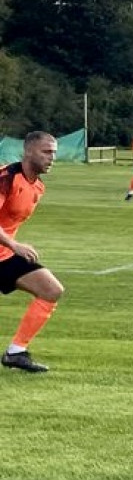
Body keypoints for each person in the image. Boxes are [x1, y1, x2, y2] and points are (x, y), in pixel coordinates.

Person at [0, 132, 65, 372]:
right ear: (28, 151)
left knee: (51, 290)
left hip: (3, 255)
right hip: (8, 249)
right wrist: (14, 245)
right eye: (46, 152)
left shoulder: (38, 186)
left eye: (54, 153)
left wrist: (10, 246)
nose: (52, 158)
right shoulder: (6, 178)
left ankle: (16, 352)